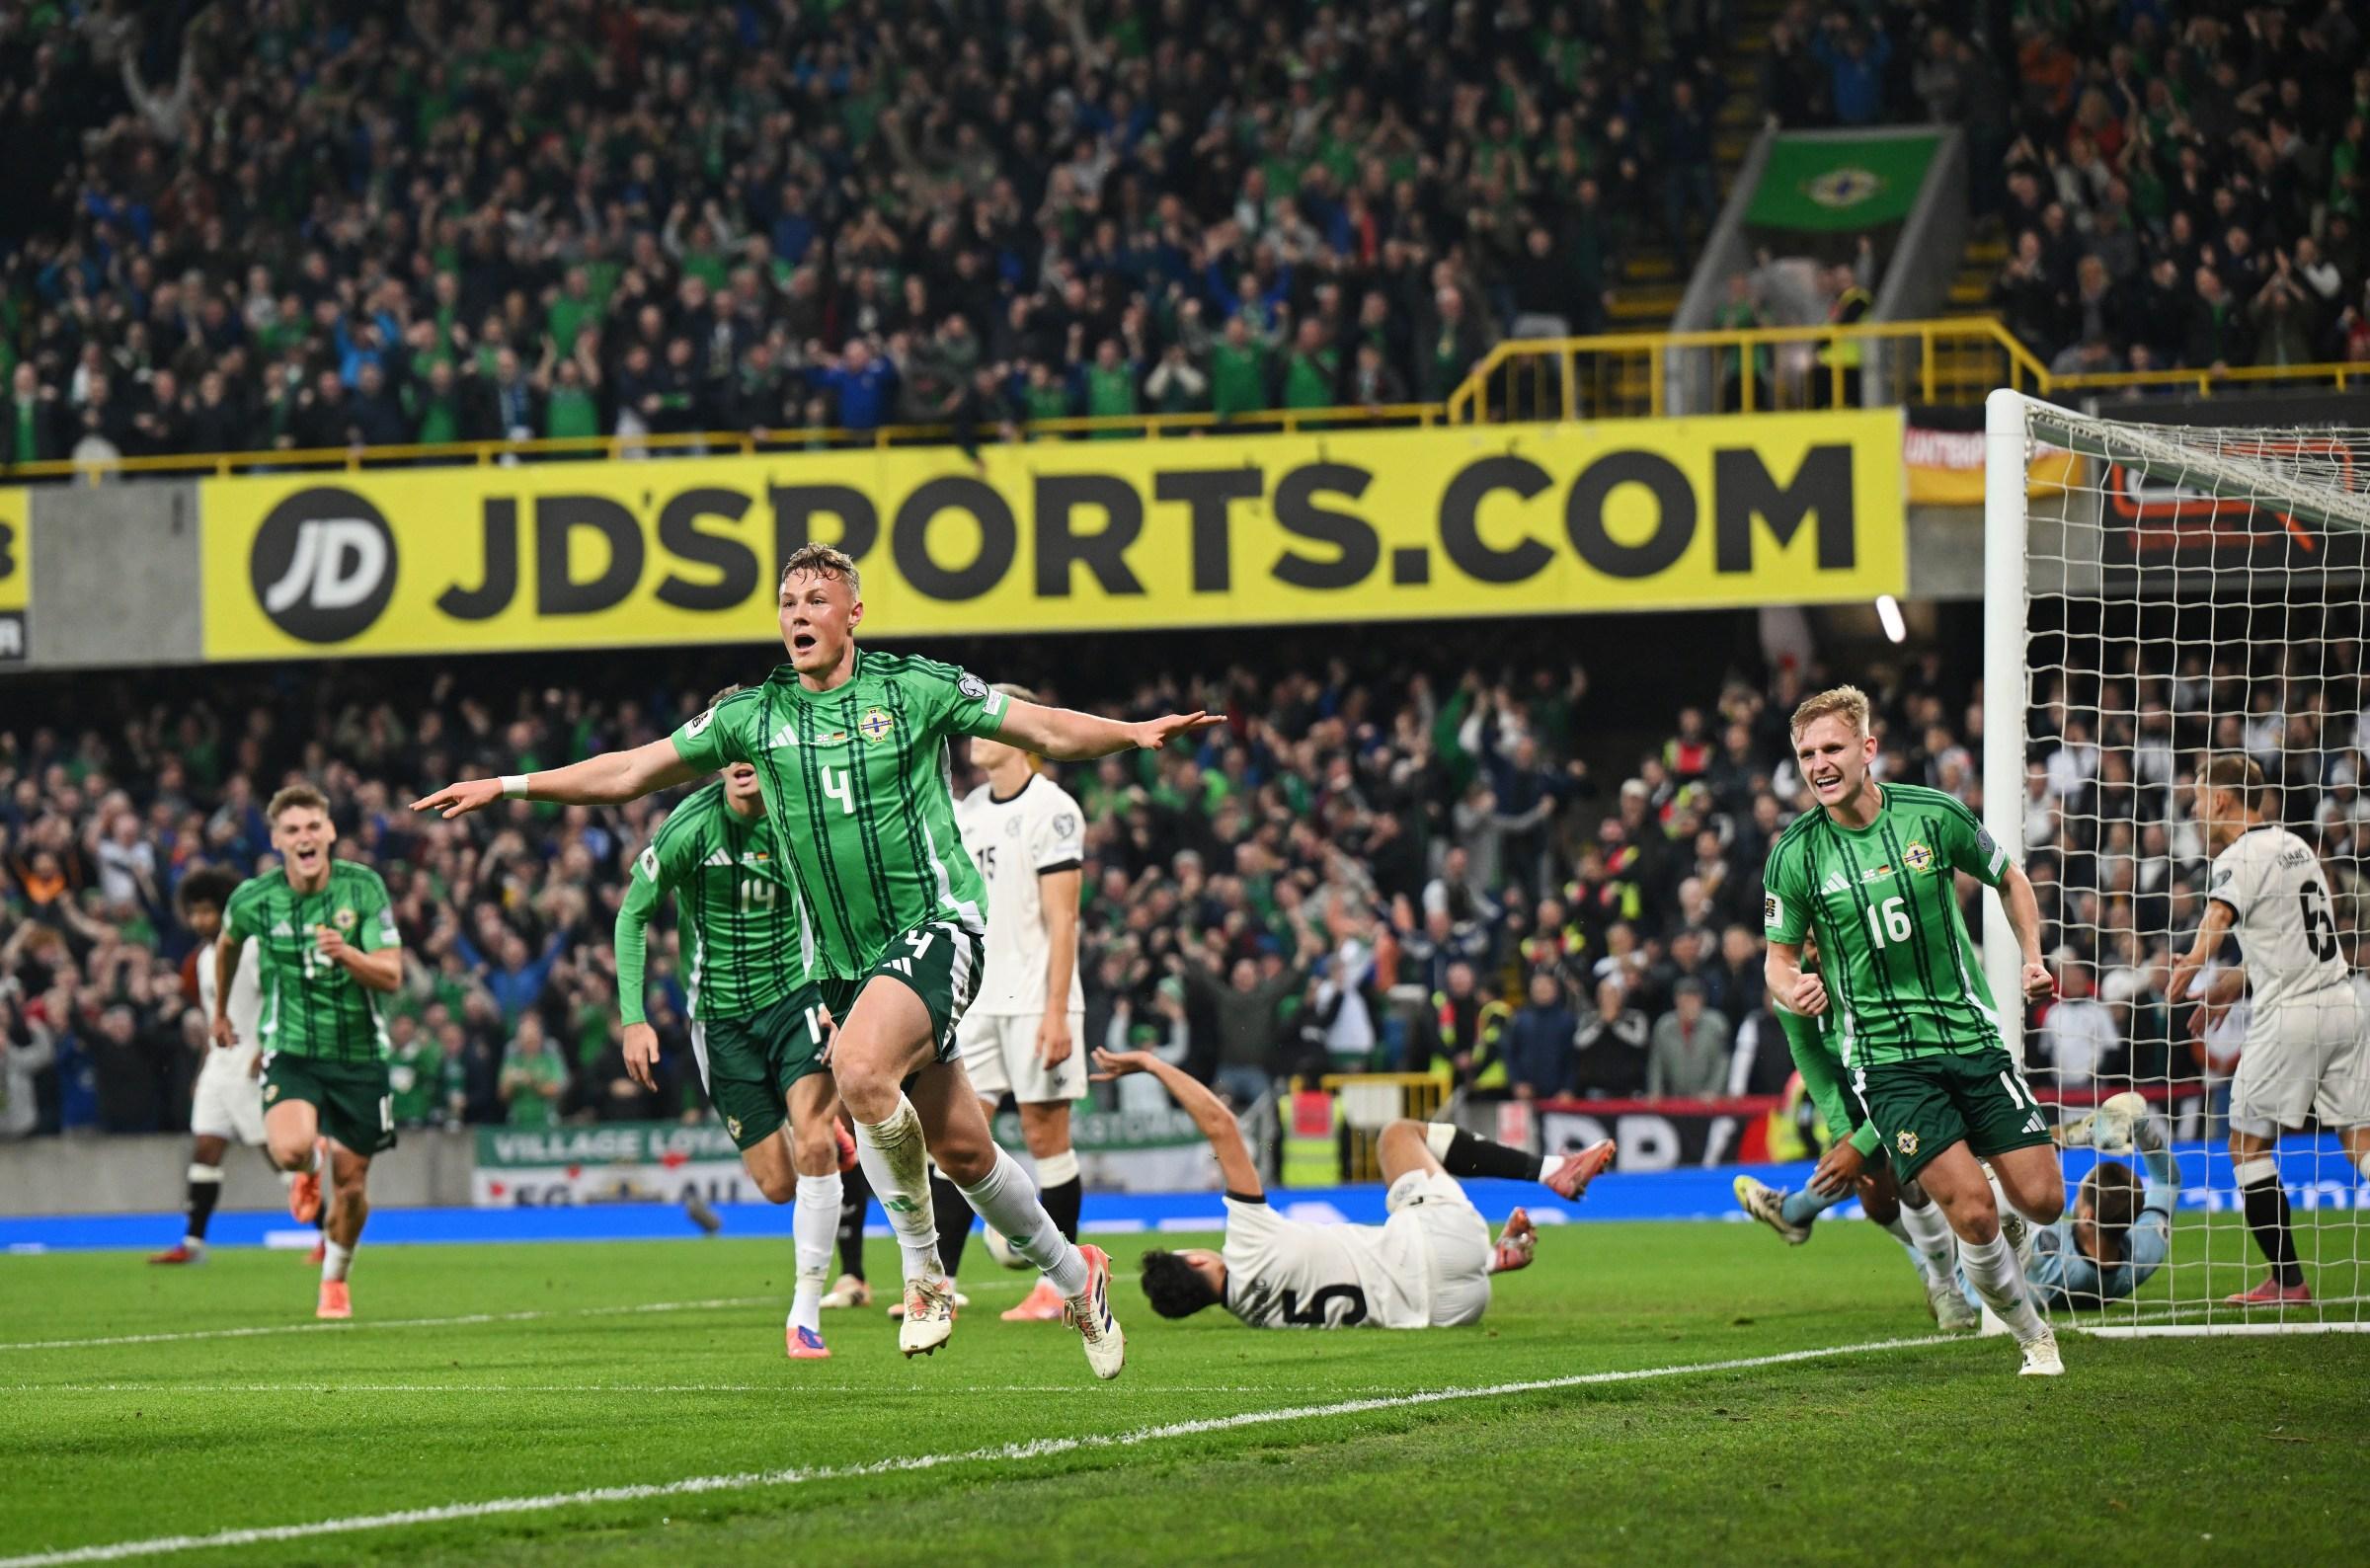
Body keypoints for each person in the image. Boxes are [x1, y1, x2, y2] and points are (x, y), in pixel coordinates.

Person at [413, 542, 1219, 1376]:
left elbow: (1043, 726)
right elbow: (629, 772)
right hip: (847, 965)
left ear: (854, 614)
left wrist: (1132, 731)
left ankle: (925, 1273)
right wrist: (508, 787)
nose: (798, 614)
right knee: (966, 1153)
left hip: (939, 928)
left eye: (816, 600)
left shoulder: (915, 689)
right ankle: (1072, 1270)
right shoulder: (752, 717)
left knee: (860, 1068)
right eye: (788, 601)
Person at [1762, 685, 2067, 1375]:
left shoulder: (1933, 816)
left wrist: (2032, 958)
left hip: (1970, 1037)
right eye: (1806, 754)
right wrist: (1796, 986)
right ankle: (2033, 1337)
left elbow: (2009, 878)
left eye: (1832, 747)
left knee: (2044, 1201)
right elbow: (1777, 961)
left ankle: (1979, 1238)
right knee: (1976, 1213)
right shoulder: (1795, 855)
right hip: (1887, 1060)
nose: (1819, 764)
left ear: (1868, 749)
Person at [613, 700, 850, 1359]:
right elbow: (633, 916)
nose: (745, 758)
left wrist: (847, 990)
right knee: (777, 1185)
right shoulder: (688, 829)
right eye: (731, 744)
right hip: (718, 1019)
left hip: (797, 995)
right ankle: (825, 1129)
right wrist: (633, 1018)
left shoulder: (802, 813)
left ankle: (805, 1312)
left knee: (813, 1149)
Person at [1097, 1046, 1615, 1328]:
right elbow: (1221, 1126)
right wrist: (1152, 1064)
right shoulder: (1247, 1244)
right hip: (1442, 1246)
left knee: (1386, 1263)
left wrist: (1480, 1262)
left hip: (1455, 1310)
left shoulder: (1260, 1318)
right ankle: (1552, 1170)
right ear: (1198, 1263)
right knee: (1398, 1135)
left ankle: (1492, 1259)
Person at [2167, 752, 2368, 1306]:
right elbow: (2289, 939)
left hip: (2292, 1018)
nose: (2196, 808)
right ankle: (2286, 1281)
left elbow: (2217, 918)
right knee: (2362, 1144)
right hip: (2343, 1004)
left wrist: (2190, 963)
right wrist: (2232, 984)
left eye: (2200, 798)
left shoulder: (2237, 856)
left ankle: (2288, 1282)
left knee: (2246, 1145)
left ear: (2223, 800)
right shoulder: (2295, 845)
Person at [213, 786, 403, 1320]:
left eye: (313, 827)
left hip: (359, 1056)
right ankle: (307, 1165)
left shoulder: (363, 889)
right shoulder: (254, 898)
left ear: (330, 833)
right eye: (293, 830)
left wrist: (347, 955)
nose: (305, 837)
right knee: (292, 1148)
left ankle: (334, 1278)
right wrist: (221, 1012)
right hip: (292, 1049)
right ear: (276, 840)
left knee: (353, 1188)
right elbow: (227, 944)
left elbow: (391, 976)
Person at [1731, 937, 1977, 1332]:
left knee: (1911, 1174)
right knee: (1878, 1203)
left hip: (1906, 1081)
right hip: (1852, 1096)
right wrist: (1845, 1134)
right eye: (1805, 941)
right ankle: (1795, 1212)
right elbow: (1809, 1057)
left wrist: (1861, 1144)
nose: (1812, 950)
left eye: (1818, 938)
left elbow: (1904, 1074)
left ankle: (1946, 1286)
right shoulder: (1791, 982)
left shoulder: (1880, 976)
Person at [942, 688, 1091, 1323]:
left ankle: (1058, 1287)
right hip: (977, 1001)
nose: (977, 731)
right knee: (952, 1138)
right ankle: (939, 1284)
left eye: (991, 720)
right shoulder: (970, 810)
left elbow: (1065, 922)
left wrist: (1057, 1012)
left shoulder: (1054, 811)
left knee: (1044, 1134)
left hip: (1035, 1000)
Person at [1962, 1091, 2179, 1313]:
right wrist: (2142, 1130)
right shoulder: (2144, 1253)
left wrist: (2075, 1134)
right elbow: (2167, 1181)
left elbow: (2016, 1161)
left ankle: (1942, 1288)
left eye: (2081, 1193)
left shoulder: (2048, 1253)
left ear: (2088, 1215)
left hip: (1966, 1286)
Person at [150, 867, 269, 1265]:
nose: (200, 920)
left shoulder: (251, 948)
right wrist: (204, 1069)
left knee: (278, 1152)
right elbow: (214, 1017)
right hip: (220, 1065)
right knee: (205, 1147)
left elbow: (277, 997)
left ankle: (326, 1231)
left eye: (208, 911)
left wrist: (266, 1047)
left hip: (253, 1057)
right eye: (194, 912)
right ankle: (193, 1244)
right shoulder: (201, 959)